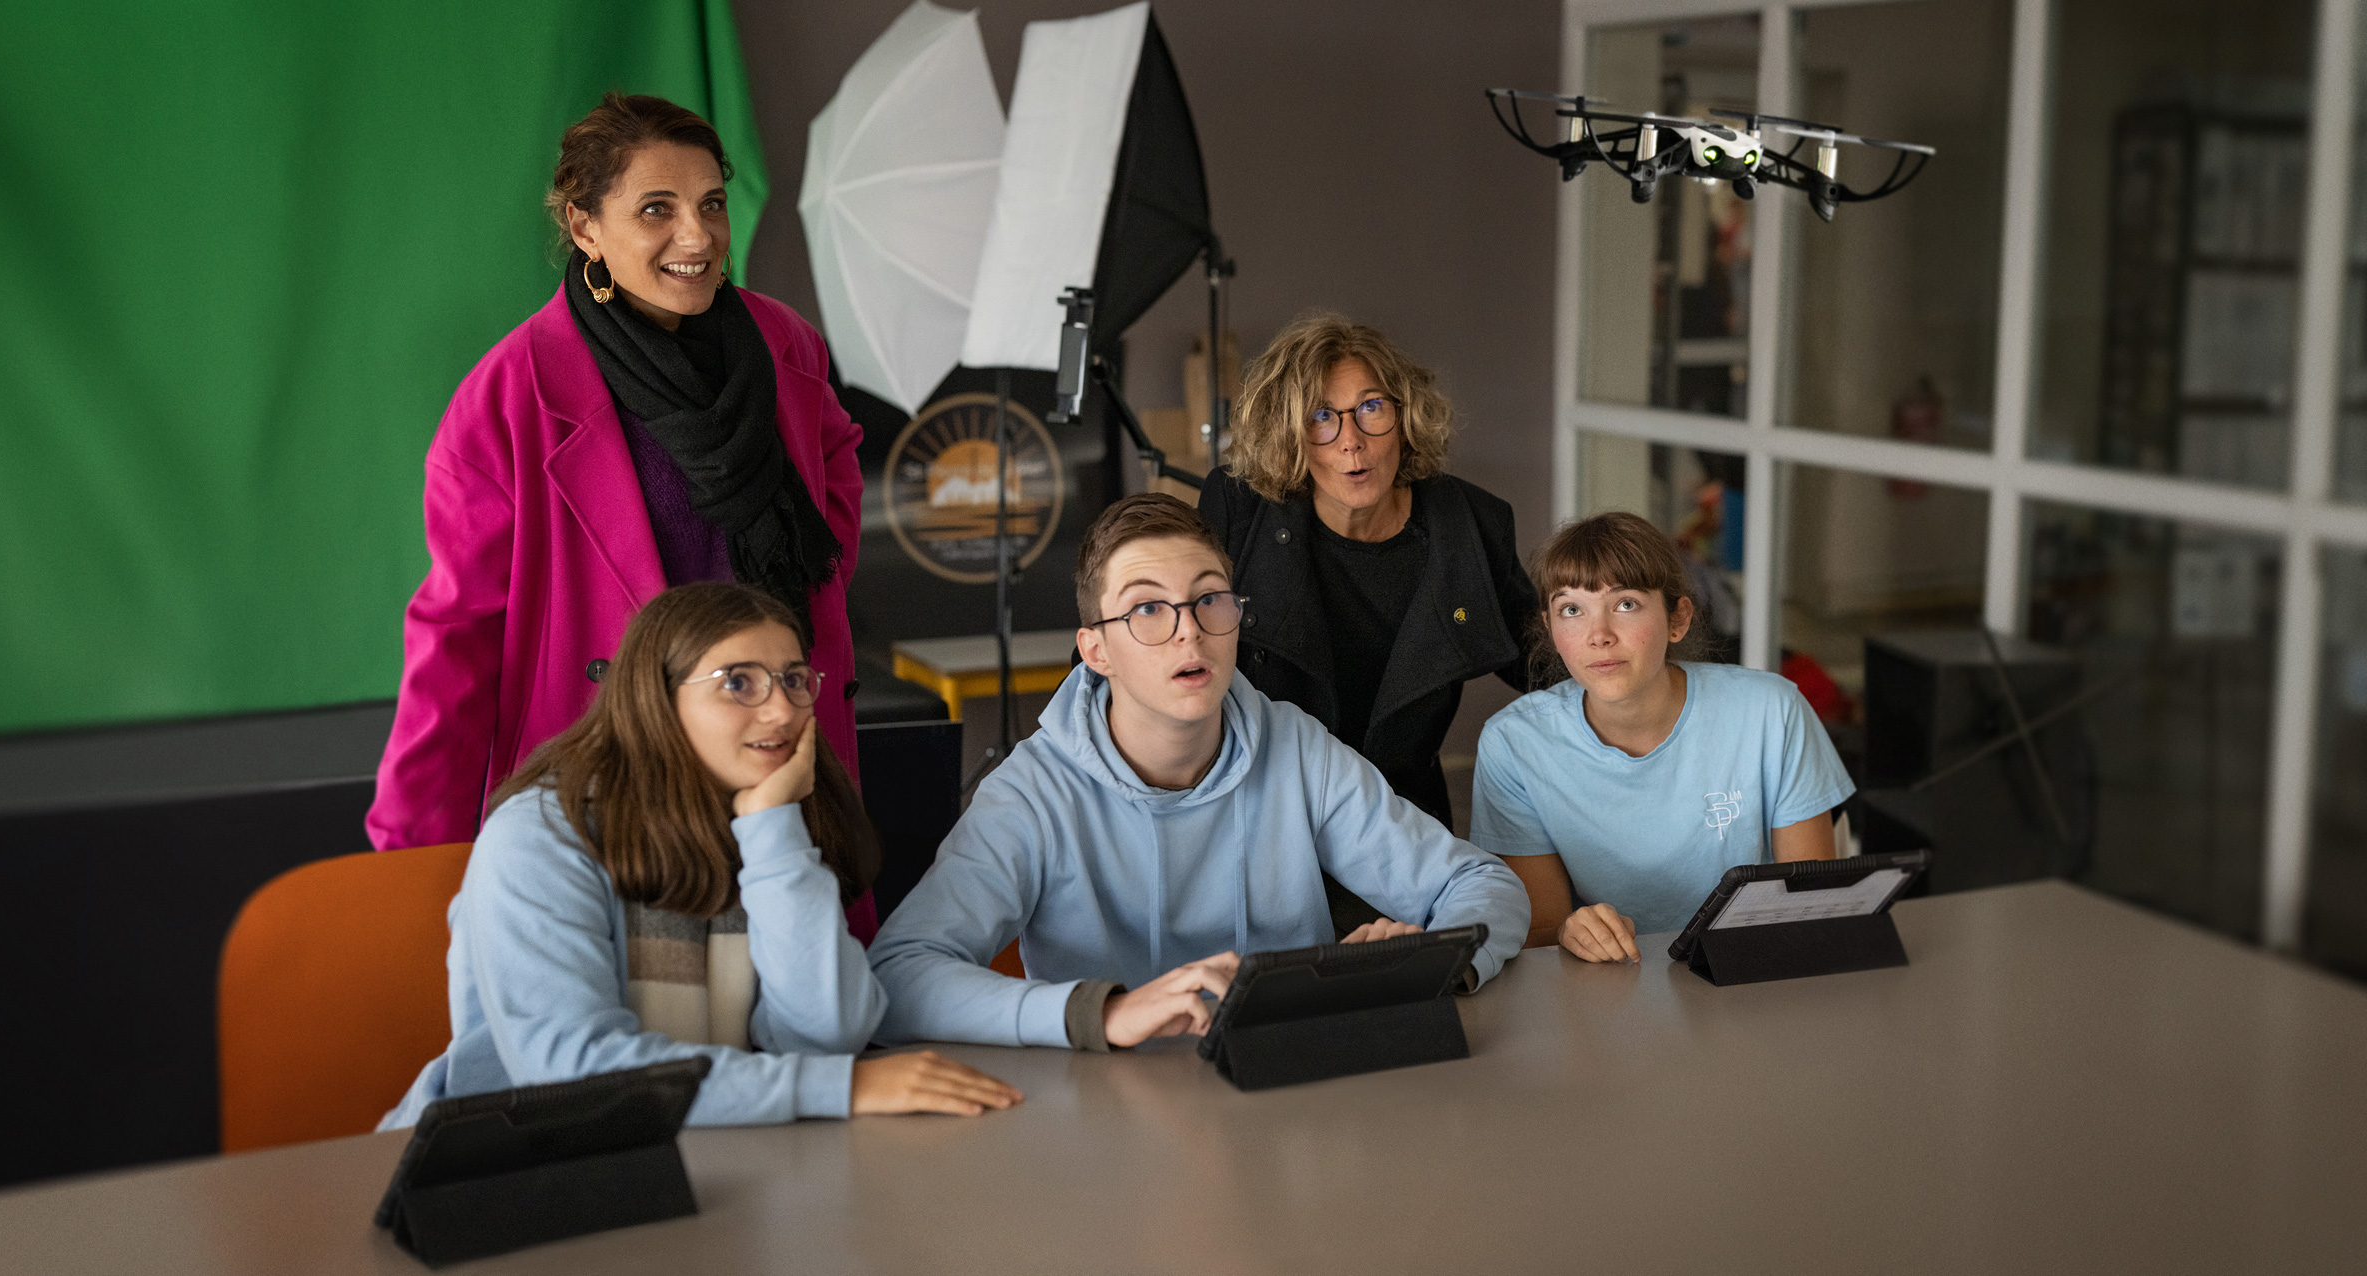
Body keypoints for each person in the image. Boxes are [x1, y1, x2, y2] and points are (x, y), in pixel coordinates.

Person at [369, 93, 873, 937]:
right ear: (585, 225)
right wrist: (414, 866)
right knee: (639, 1012)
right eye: (656, 210)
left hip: (778, 768)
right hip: (615, 786)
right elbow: (455, 644)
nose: (697, 236)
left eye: (712, 204)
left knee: (807, 999)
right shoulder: (509, 395)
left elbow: (833, 515)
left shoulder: (786, 347)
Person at [867, 496, 1530, 1051]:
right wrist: (1103, 1013)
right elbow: (897, 975)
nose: (1189, 631)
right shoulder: (1030, 793)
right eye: (1147, 608)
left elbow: (1482, 883)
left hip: (1287, 1097)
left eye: (1209, 598)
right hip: (1108, 1111)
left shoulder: (1296, 748)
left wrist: (1424, 965)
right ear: (1095, 650)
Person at [382, 584, 1019, 1128]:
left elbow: (827, 1033)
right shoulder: (541, 835)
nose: (782, 709)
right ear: (658, 699)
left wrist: (773, 830)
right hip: (507, 1172)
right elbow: (573, 1076)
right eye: (739, 683)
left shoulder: (761, 819)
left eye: (794, 679)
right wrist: (835, 1089)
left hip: (707, 1159)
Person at [1197, 315, 1537, 930]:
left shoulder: (1468, 523)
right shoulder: (1241, 510)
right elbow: (1163, 632)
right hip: (1264, 815)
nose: (1350, 441)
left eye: (1371, 408)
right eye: (1321, 417)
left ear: (1405, 417)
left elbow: (1545, 662)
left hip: (1398, 828)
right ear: (1289, 435)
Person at [1468, 512, 1854, 962]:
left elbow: (1810, 906)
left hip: (1752, 967)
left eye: (1626, 604)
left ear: (1678, 619)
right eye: (1571, 610)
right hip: (1606, 981)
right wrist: (1569, 931)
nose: (1599, 635)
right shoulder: (1513, 743)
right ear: (1551, 629)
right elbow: (1542, 935)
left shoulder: (1773, 710)